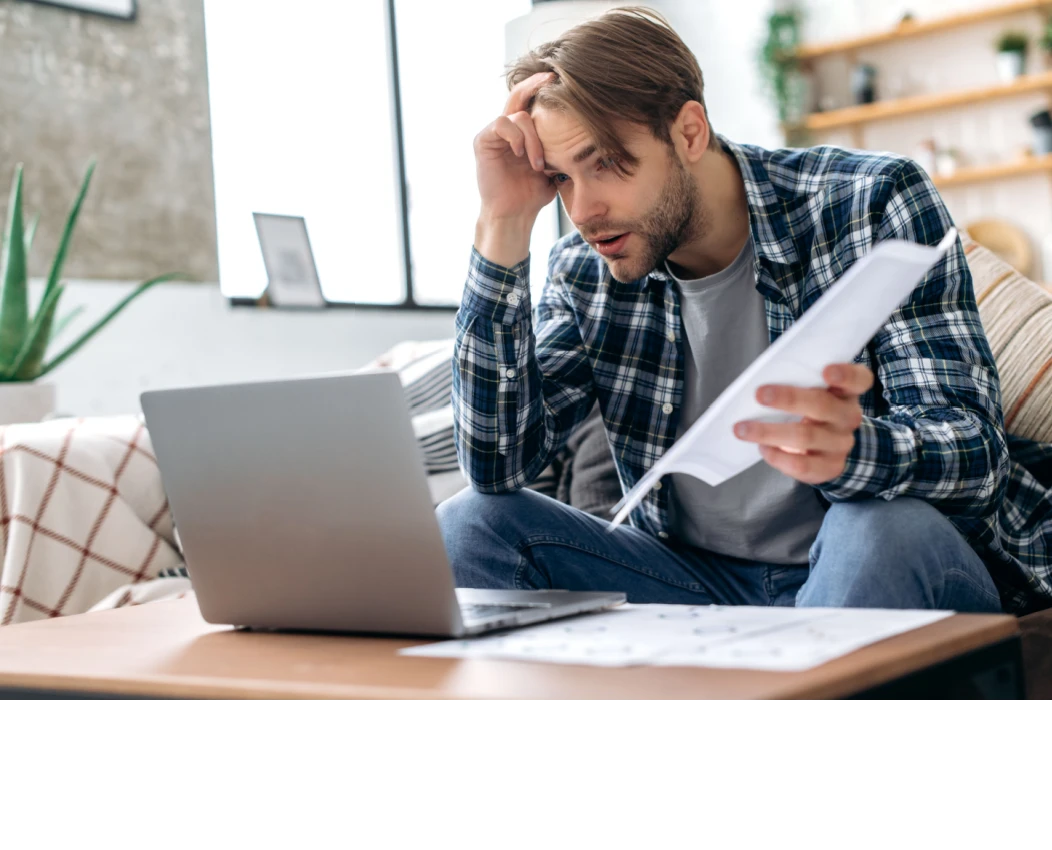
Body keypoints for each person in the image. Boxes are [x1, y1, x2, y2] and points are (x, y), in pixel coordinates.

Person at [436, 6, 1042, 614]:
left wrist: (859, 452)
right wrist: (503, 222)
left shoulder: (870, 201)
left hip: (869, 556)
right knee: (471, 522)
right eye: (561, 179)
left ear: (689, 132)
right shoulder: (583, 271)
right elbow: (498, 467)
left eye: (608, 163)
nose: (585, 210)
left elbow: (977, 460)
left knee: (878, 528)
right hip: (693, 583)